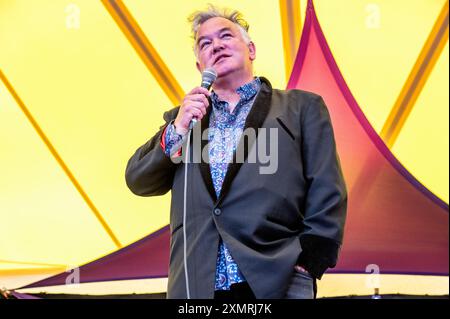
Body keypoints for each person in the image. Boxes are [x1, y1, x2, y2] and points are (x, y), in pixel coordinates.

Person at [125, 5, 347, 299]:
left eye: (225, 36)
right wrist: (177, 129)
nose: (215, 45)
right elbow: (138, 180)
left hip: (275, 279)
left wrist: (308, 265)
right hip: (197, 287)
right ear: (199, 67)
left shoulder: (301, 108)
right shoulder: (185, 121)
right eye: (204, 44)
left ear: (251, 49)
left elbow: (327, 189)